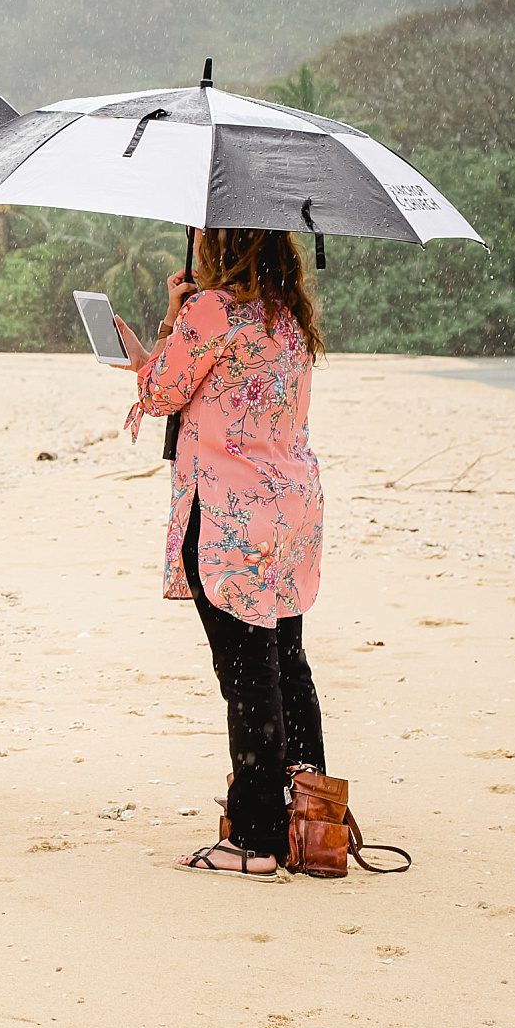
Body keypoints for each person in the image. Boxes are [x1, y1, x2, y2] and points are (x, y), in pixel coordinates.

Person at [114, 228, 326, 881]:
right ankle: (307, 817)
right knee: (285, 660)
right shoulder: (287, 317)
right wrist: (176, 330)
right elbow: (208, 384)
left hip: (230, 514)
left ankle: (257, 835)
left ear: (223, 244)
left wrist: (171, 320)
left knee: (246, 672)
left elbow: (163, 391)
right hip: (290, 511)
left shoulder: (212, 309)